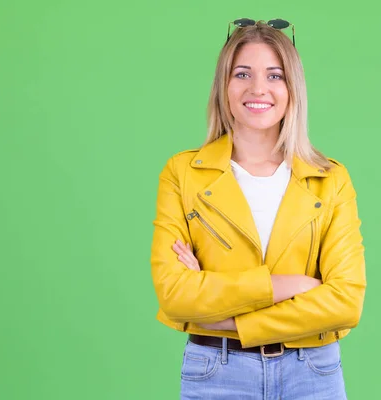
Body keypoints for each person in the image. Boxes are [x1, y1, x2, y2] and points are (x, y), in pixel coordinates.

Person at [150, 18, 366, 399]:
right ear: (224, 85)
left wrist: (224, 318)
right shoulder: (183, 174)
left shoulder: (330, 179)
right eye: (243, 73)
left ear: (292, 87)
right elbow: (175, 296)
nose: (258, 89)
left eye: (275, 75)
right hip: (216, 373)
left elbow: (345, 303)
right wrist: (290, 286)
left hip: (312, 373)